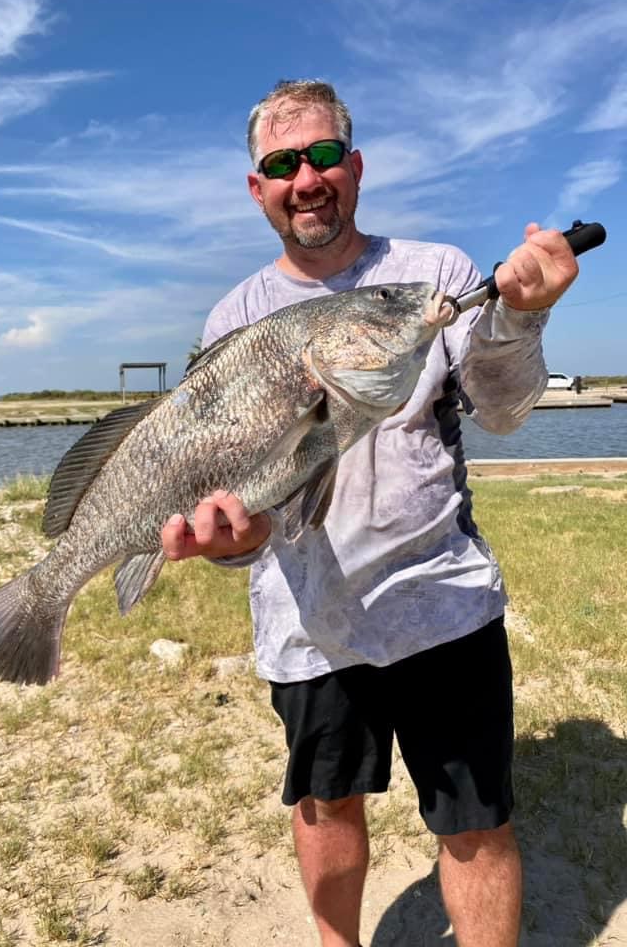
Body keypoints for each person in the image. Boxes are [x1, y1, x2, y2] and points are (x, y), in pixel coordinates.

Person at [161, 79, 579, 947]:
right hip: (309, 624)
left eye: (322, 156)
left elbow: (503, 411)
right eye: (283, 164)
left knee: (475, 822)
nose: (305, 179)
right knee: (325, 806)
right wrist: (235, 546)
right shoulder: (235, 316)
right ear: (258, 187)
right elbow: (232, 496)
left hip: (442, 603)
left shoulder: (436, 275)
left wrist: (520, 322)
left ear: (354, 167)